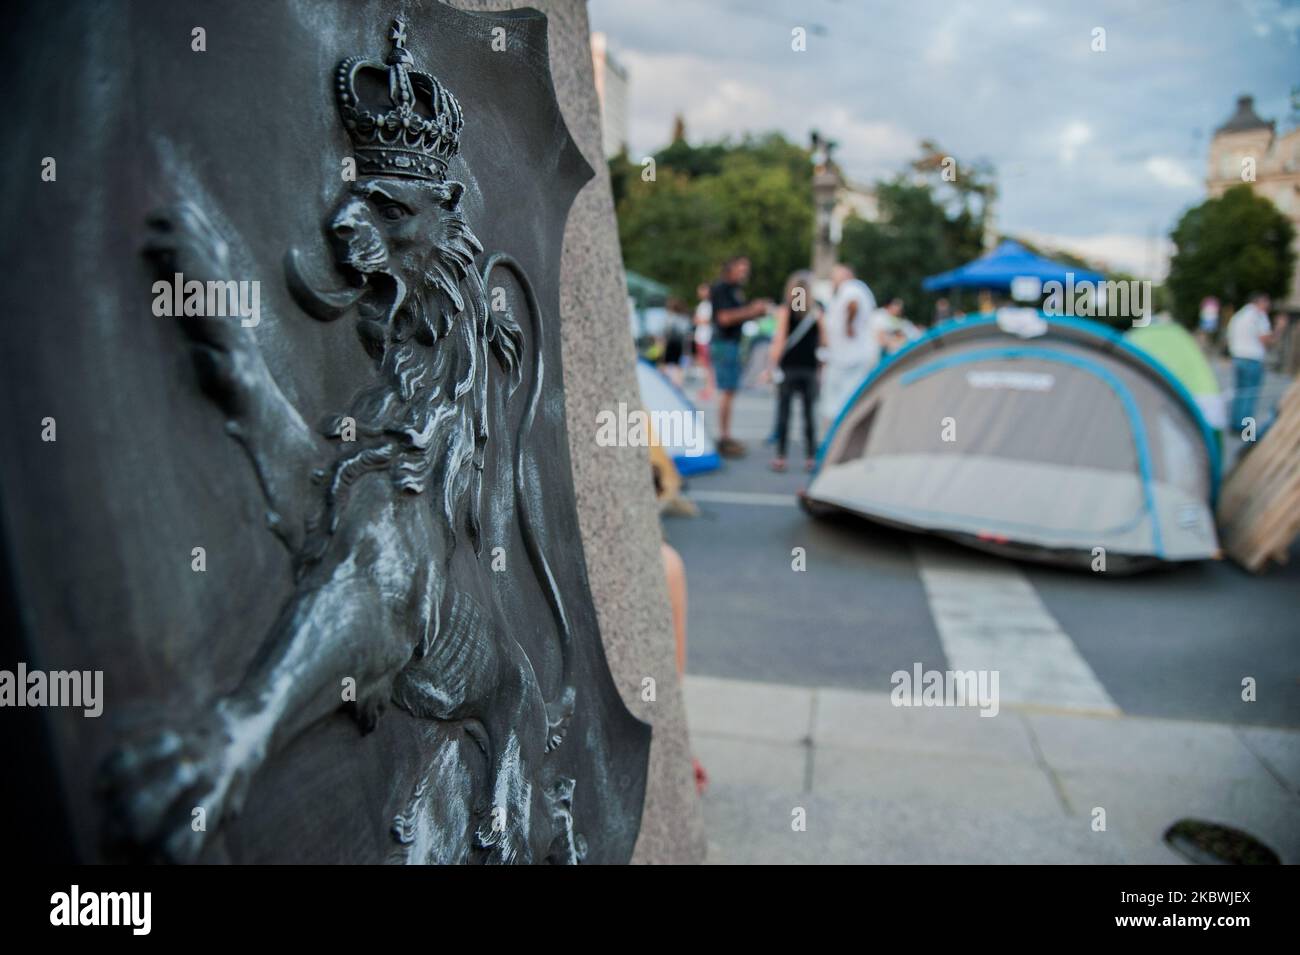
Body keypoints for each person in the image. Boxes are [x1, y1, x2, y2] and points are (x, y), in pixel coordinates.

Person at [709, 256, 772, 457]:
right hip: (724, 343)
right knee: (727, 390)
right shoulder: (721, 288)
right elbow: (724, 318)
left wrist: (753, 312)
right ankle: (724, 437)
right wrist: (751, 311)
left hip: (731, 343)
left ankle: (726, 435)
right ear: (730, 267)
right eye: (741, 268)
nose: (745, 272)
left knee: (730, 391)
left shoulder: (733, 289)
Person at [765, 270, 823, 472]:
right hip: (809, 368)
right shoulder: (816, 311)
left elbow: (779, 341)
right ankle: (810, 457)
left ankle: (781, 457)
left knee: (784, 414)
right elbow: (824, 341)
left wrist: (770, 366)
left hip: (788, 368)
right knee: (809, 415)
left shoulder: (785, 311)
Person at [821, 263, 880, 427]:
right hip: (850, 355)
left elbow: (852, 304)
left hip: (848, 357)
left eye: (834, 276)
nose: (832, 280)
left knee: (841, 401)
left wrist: (849, 325)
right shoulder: (859, 289)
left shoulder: (851, 287)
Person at [1227, 292, 1280, 431]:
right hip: (1252, 359)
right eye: (1266, 303)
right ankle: (1246, 431)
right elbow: (1265, 340)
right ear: (1259, 302)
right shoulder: (1259, 316)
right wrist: (1280, 329)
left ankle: (1235, 424)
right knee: (1250, 396)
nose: (1268, 306)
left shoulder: (1238, 316)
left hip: (1238, 357)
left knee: (1240, 393)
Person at [691, 282, 715, 400]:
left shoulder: (709, 305)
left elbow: (707, 320)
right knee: (704, 365)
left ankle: (709, 388)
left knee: (708, 365)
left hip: (706, 338)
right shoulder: (703, 304)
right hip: (701, 337)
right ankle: (707, 387)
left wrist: (698, 320)